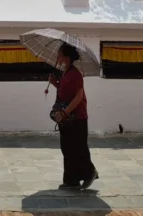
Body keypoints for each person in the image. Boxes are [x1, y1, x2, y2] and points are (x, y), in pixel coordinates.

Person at [50, 43, 97, 191]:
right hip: (68, 118)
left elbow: (79, 96)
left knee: (78, 148)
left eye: (60, 53)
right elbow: (65, 92)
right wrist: (55, 84)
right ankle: (72, 180)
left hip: (77, 117)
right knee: (67, 148)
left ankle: (90, 172)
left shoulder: (75, 74)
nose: (58, 56)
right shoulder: (65, 72)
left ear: (67, 56)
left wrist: (65, 113)